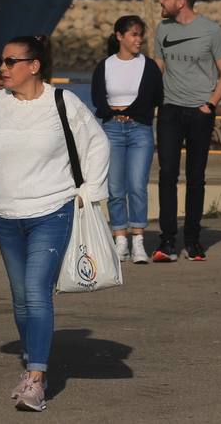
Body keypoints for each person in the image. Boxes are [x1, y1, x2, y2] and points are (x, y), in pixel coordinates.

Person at [0, 35, 109, 413]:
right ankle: (33, 355)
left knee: (35, 289)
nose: (3, 68)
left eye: (11, 62)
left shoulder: (62, 102)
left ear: (34, 65)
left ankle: (36, 379)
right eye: (1, 61)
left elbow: (97, 143)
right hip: (7, 215)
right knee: (19, 295)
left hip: (52, 211)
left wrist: (88, 192)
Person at [152, 0, 221, 262]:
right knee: (166, 175)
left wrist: (211, 104)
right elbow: (157, 70)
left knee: (196, 178)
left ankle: (193, 240)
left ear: (181, 1)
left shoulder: (211, 31)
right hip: (170, 111)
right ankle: (166, 241)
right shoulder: (162, 29)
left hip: (200, 112)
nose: (160, 1)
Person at [90, 14, 163, 265]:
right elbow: (98, 98)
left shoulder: (149, 66)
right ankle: (120, 239)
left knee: (137, 185)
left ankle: (138, 241)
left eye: (140, 34)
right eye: (133, 34)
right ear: (119, 36)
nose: (138, 40)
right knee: (115, 188)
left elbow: (156, 96)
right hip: (111, 130)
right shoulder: (105, 65)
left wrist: (131, 113)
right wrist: (115, 114)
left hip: (140, 129)